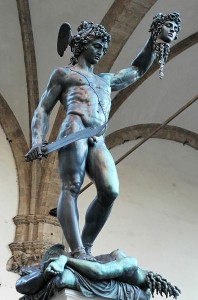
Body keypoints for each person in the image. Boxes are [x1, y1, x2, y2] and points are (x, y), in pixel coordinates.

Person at [25, 13, 181, 260]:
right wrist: (36, 140)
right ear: (82, 45)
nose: (101, 52)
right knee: (71, 187)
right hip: (74, 130)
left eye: (104, 48)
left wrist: (154, 39)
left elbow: (137, 69)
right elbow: (43, 109)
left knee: (110, 191)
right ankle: (76, 250)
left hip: (98, 137)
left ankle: (85, 245)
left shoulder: (105, 80)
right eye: (97, 46)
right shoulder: (64, 75)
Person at [16, 244, 181, 300]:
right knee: (60, 278)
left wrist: (64, 260)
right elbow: (101, 270)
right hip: (84, 270)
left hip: (85, 273)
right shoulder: (124, 261)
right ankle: (43, 272)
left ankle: (43, 272)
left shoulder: (129, 265)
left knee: (62, 278)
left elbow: (100, 273)